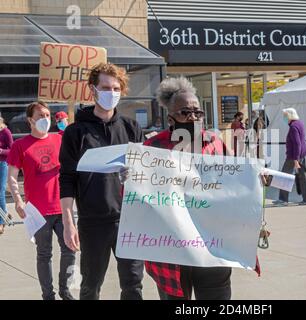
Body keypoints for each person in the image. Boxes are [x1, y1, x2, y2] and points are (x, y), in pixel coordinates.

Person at [59, 63, 145, 300]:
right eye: (106, 87)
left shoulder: (132, 128)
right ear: (93, 90)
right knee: (91, 285)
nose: (112, 92)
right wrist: (68, 222)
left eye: (116, 88)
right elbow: (66, 179)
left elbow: (146, 171)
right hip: (93, 222)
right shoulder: (75, 132)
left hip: (129, 220)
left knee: (133, 285)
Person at [143, 77, 234, 300]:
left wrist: (253, 179)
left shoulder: (214, 142)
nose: (193, 117)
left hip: (212, 243)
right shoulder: (153, 147)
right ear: (171, 117)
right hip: (171, 250)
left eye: (198, 112)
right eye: (185, 112)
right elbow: (136, 197)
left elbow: (233, 181)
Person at [7, 101, 76, 300]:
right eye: (41, 116)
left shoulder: (60, 140)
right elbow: (12, 176)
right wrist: (18, 201)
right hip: (37, 211)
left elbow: (72, 167)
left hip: (63, 208)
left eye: (47, 115)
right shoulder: (20, 145)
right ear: (30, 120)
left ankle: (65, 290)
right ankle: (48, 295)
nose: (46, 119)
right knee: (44, 254)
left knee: (70, 250)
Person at [273, 108, 306, 206]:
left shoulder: (293, 127)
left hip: (293, 156)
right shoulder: (300, 123)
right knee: (303, 176)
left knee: (285, 176)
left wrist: (296, 159)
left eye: (285, 115)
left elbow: (297, 143)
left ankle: (283, 199)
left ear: (290, 116)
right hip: (302, 154)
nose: (284, 117)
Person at [0, 117, 13, 235]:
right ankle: (4, 215)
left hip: (2, 164)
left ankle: (1, 222)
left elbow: (12, 150)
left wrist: (1, 151)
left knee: (0, 193)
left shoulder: (5, 132)